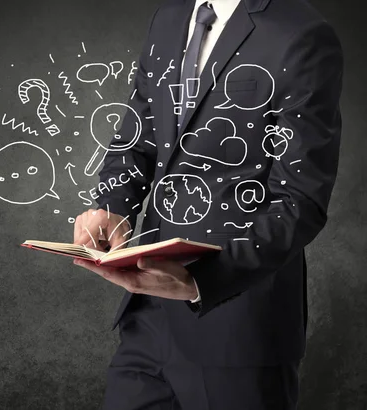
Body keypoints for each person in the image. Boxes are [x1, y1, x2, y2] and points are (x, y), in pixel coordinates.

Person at [72, 0, 343, 408]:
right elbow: (139, 135)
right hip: (146, 321)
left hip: (239, 327)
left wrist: (205, 279)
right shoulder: (169, 17)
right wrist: (113, 205)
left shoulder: (301, 35)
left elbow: (301, 200)